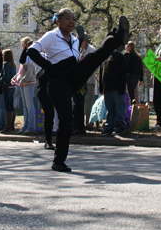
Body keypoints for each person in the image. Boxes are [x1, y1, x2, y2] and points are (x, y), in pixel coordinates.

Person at [22, 9, 130, 172]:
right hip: (57, 81)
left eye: (73, 19)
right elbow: (32, 51)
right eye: (67, 18)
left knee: (93, 58)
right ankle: (58, 161)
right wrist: (49, 68)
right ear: (57, 20)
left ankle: (117, 36)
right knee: (66, 120)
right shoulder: (51, 36)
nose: (71, 21)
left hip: (73, 74)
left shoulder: (73, 39)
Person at [99, 44, 128, 136]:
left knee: (119, 107)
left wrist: (122, 88)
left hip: (116, 87)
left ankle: (120, 125)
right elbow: (101, 73)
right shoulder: (104, 57)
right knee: (109, 108)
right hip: (107, 87)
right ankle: (109, 127)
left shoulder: (120, 57)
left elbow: (123, 74)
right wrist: (101, 86)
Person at [72, 34, 97, 135]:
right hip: (79, 81)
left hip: (88, 80)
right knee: (78, 104)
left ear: (84, 42)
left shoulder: (91, 50)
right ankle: (78, 124)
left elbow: (95, 65)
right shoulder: (77, 49)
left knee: (87, 103)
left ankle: (89, 123)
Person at [16, 38, 38, 134]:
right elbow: (21, 70)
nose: (22, 46)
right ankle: (25, 125)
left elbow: (30, 72)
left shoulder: (31, 54)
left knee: (30, 106)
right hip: (23, 83)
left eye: (23, 44)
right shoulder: (25, 55)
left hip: (29, 83)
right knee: (25, 106)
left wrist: (23, 80)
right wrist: (16, 78)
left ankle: (31, 126)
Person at [0, 49, 17, 132]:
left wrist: (0, 81)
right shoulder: (14, 64)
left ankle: (8, 126)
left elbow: (6, 75)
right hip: (13, 86)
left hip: (7, 86)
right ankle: (12, 125)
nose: (2, 56)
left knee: (7, 106)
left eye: (3, 55)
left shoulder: (5, 64)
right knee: (11, 106)